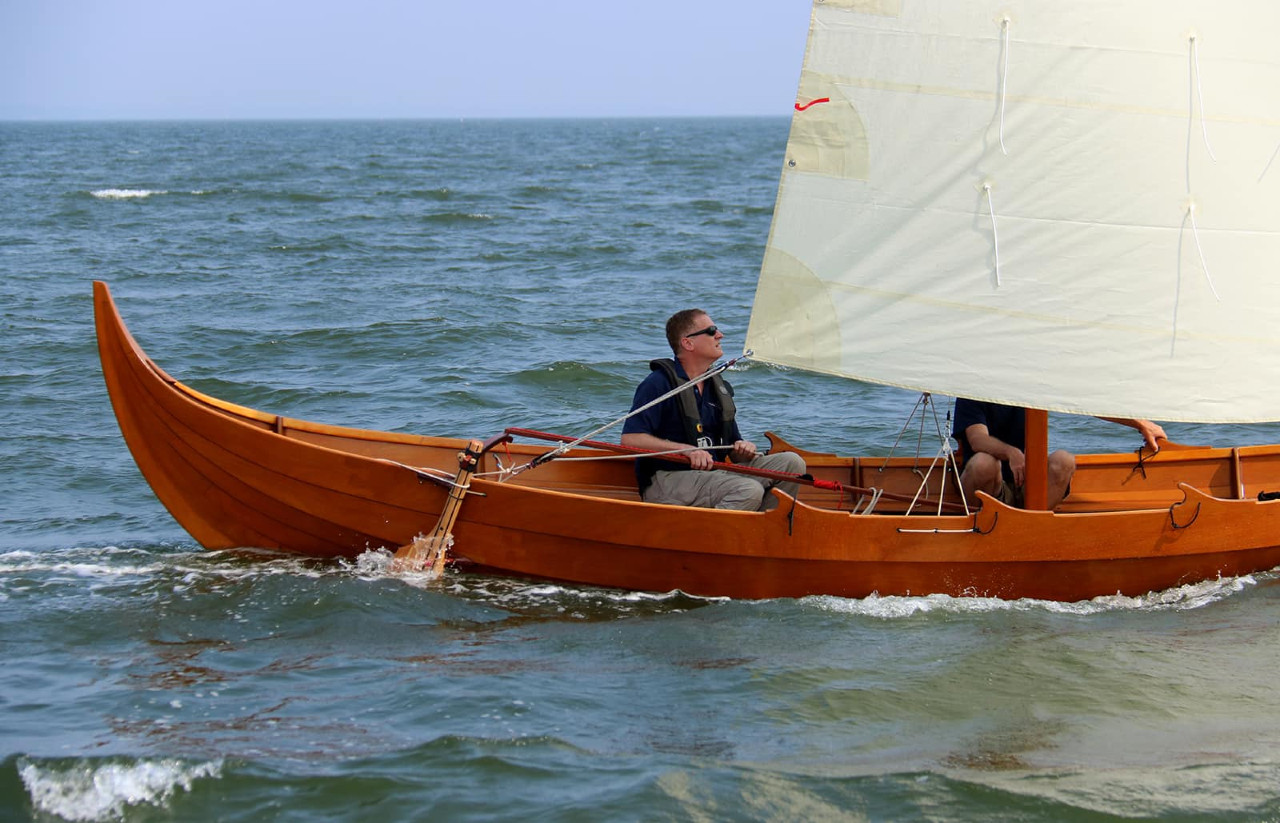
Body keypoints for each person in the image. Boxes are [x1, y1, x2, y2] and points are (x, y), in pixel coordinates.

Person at [621, 309, 806, 511]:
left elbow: (733, 454)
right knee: (747, 490)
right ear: (688, 343)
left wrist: (742, 449)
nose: (720, 335)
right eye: (711, 331)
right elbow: (630, 439)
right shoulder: (658, 384)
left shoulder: (715, 387)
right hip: (667, 479)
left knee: (792, 464)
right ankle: (713, 538)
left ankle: (764, 532)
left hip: (713, 474)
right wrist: (687, 450)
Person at [952, 398, 1167, 510]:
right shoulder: (973, 392)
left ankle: (1031, 528)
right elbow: (977, 439)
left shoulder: (1029, 387)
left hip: (1027, 488)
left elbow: (1082, 404)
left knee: (1064, 460)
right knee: (984, 463)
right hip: (986, 490)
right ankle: (985, 527)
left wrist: (1139, 423)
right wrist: (1011, 453)